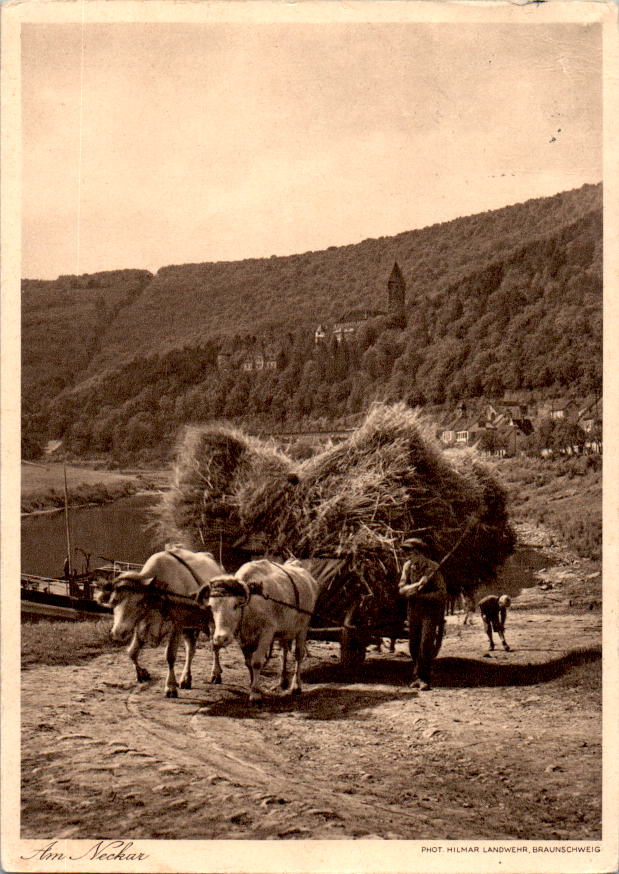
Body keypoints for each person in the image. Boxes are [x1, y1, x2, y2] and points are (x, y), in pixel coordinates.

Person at [398, 546, 447, 691]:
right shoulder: (408, 566)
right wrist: (417, 585)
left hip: (430, 611)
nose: (407, 557)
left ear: (419, 553)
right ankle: (417, 677)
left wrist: (423, 596)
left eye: (410, 553)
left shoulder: (433, 568)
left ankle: (424, 679)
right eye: (406, 554)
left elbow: (442, 593)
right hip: (413, 610)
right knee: (414, 645)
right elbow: (401, 588)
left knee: (425, 644)